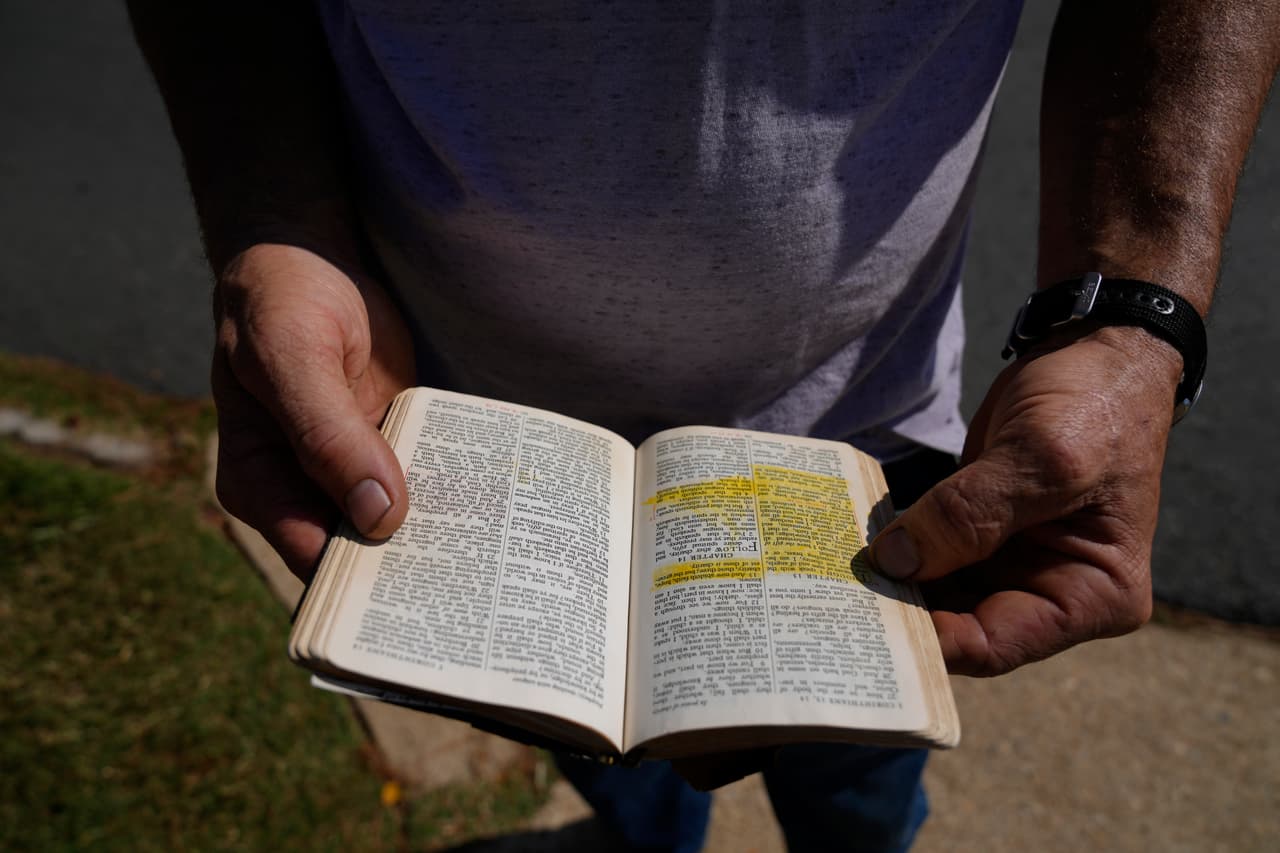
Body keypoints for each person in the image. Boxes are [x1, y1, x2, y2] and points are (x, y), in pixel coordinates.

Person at [130, 1, 1279, 850]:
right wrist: (277, 222)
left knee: (858, 786)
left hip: (867, 468)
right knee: (615, 768)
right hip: (479, 460)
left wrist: (1130, 322)